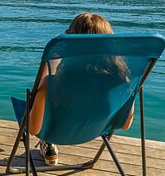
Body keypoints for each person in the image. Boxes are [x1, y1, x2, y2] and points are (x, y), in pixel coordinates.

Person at [29, 12, 133, 166]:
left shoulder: (52, 84)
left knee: (39, 101)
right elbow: (125, 124)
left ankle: (48, 144)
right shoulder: (122, 82)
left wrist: (50, 66)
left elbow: (33, 129)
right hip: (95, 131)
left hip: (55, 133)